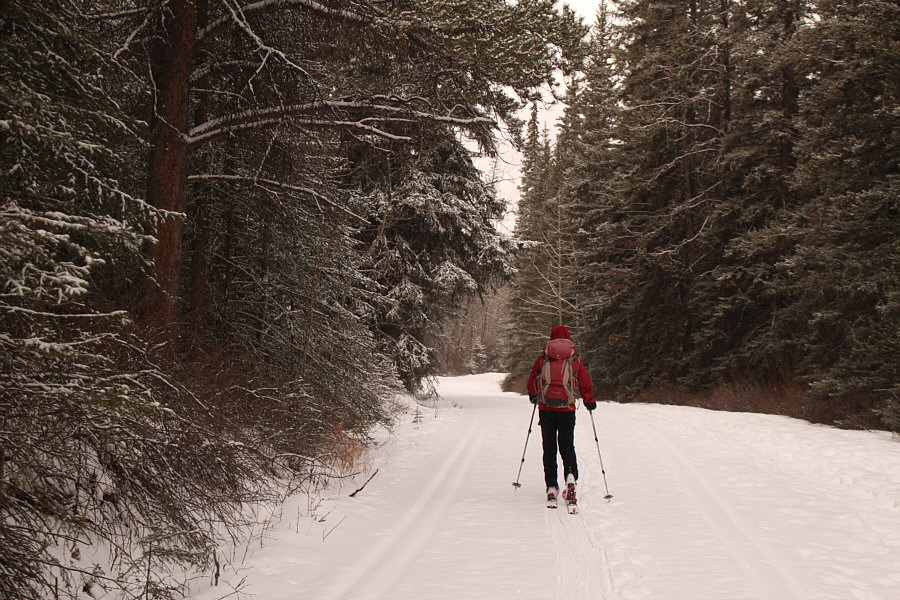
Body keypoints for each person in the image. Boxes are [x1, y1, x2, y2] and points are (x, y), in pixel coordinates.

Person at [526, 325, 595, 507]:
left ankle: (551, 487)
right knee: (567, 446)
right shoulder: (574, 360)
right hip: (567, 410)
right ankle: (570, 478)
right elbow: (584, 382)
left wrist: (534, 396)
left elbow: (532, 381)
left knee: (549, 448)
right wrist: (589, 401)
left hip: (546, 409)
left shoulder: (543, 359)